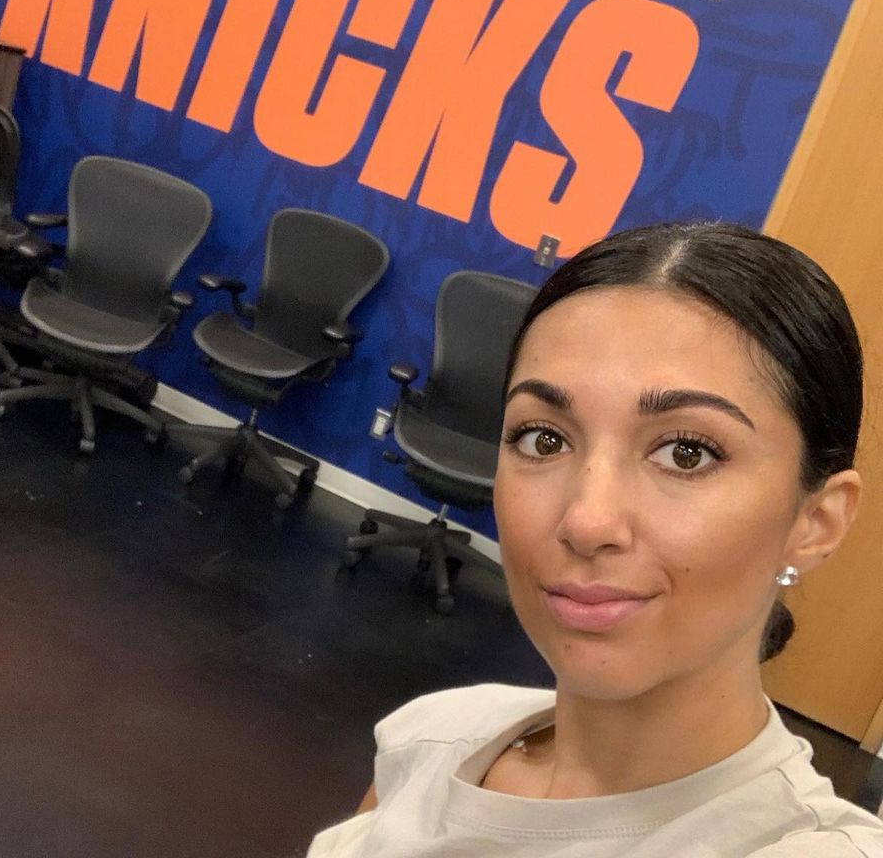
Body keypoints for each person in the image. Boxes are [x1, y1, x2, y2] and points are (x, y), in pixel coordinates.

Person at [308, 222, 883, 856]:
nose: (585, 521)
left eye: (686, 453)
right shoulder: (431, 740)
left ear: (816, 522)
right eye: (543, 439)